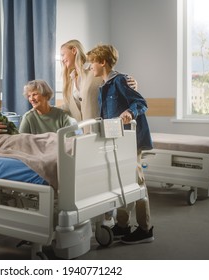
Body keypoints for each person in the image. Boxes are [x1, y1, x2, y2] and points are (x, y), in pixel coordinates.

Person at [86, 43, 154, 244]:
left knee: (137, 183)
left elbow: (141, 103)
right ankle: (123, 226)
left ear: (103, 62)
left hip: (131, 140)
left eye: (92, 63)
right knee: (124, 182)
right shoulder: (103, 87)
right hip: (117, 141)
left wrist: (129, 112)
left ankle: (145, 229)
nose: (90, 67)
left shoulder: (121, 81)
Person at [59, 39, 138, 122]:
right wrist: (50, 110)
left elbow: (113, 78)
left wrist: (132, 83)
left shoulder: (95, 70)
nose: (61, 59)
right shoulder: (71, 79)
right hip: (82, 130)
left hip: (101, 127)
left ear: (74, 50)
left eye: (63, 55)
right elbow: (72, 106)